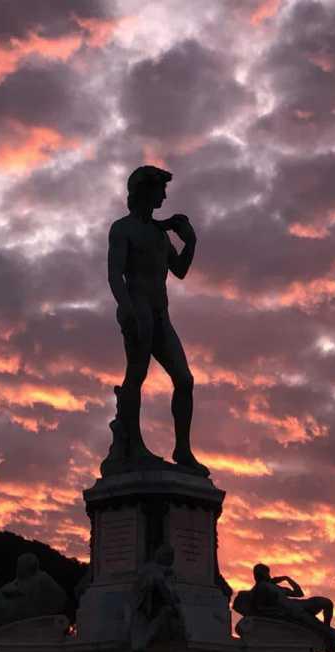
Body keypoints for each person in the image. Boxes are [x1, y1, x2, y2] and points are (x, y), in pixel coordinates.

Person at [105, 165, 208, 476]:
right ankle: (132, 444)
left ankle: (183, 449)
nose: (164, 195)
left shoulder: (159, 234)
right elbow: (114, 274)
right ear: (144, 191)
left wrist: (190, 242)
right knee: (136, 376)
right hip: (137, 308)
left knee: (184, 379)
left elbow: (179, 270)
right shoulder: (123, 228)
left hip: (160, 313)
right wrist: (128, 309)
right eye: (160, 189)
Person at [239, 563, 335, 652]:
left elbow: (299, 593)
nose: (268, 575)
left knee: (326, 603)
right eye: (265, 573)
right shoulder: (260, 588)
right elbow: (260, 608)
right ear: (259, 575)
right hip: (293, 613)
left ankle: (326, 637)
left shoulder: (274, 587)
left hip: (299, 605)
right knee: (331, 634)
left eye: (267, 573)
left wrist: (287, 578)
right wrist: (278, 614)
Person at [130, 544, 186, 652]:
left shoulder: (156, 570)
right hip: (147, 605)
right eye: (169, 557)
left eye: (171, 557)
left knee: (168, 612)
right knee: (168, 612)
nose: (171, 560)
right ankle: (143, 640)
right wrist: (173, 603)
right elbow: (161, 585)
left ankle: (143, 640)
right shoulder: (152, 569)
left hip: (150, 605)